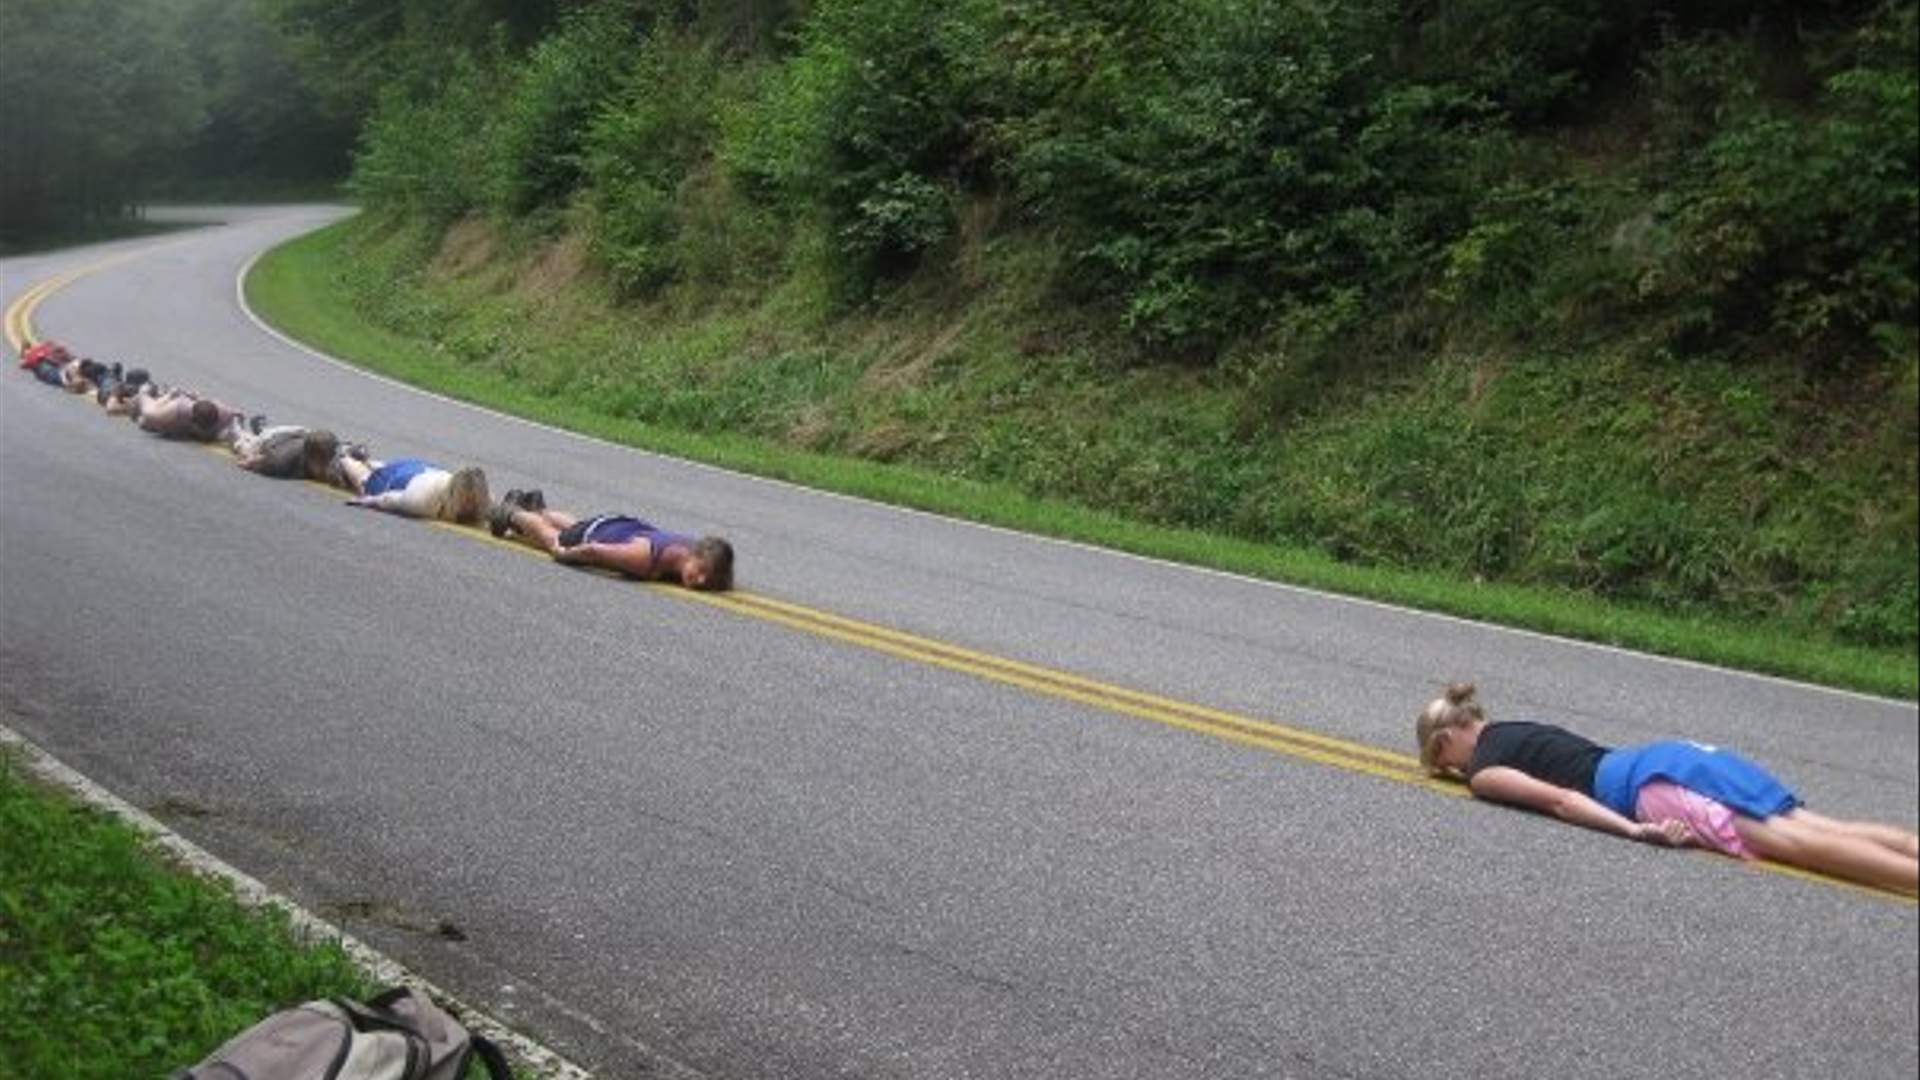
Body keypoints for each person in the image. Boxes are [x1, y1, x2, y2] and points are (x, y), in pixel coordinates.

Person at [1415, 682, 1919, 894]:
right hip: (1674, 755)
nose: (1455, 774)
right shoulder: (1511, 729)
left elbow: (1563, 800)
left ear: (1443, 744)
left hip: (1648, 788)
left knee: (1795, 845)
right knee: (1815, 825)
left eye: (1443, 765)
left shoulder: (1485, 768)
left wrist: (1635, 830)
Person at [488, 491, 734, 591]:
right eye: (701, 570)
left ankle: (538, 508)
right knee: (553, 537)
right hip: (597, 536)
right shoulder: (647, 559)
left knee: (577, 525)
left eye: (707, 578)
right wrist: (563, 554)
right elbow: (594, 551)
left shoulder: (693, 545)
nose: (701, 580)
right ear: (695, 555)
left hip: (621, 524)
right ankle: (512, 513)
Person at [335, 454, 491, 525]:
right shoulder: (421, 501)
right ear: (454, 495)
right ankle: (344, 456)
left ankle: (368, 460)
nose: (470, 506)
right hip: (398, 480)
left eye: (474, 501)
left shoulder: (486, 500)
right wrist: (366, 500)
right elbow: (388, 499)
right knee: (364, 481)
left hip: (424, 470)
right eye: (466, 501)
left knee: (380, 467)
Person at [227, 419, 340, 481]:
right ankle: (235, 429)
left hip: (301, 433)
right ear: (309, 458)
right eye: (321, 465)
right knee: (246, 448)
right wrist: (248, 462)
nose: (326, 468)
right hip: (273, 440)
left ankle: (260, 426)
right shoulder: (280, 462)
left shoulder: (335, 458)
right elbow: (254, 461)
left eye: (327, 463)